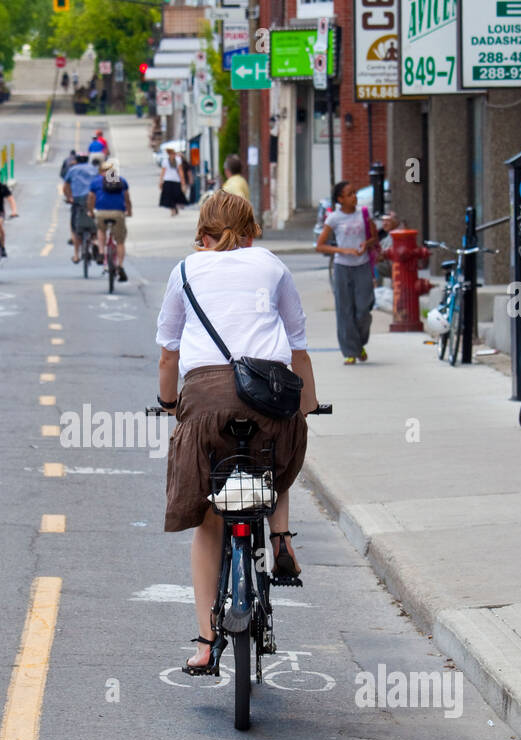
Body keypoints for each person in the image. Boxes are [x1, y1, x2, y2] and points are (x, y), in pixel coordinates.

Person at [155, 191, 319, 674]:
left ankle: (206, 643)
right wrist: (306, 406)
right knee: (280, 454)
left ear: (201, 232)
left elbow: (168, 352)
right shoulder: (270, 265)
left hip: (205, 403)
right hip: (269, 396)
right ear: (253, 230)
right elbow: (298, 345)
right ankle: (282, 536)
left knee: (209, 521)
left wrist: (169, 403)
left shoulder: (185, 271)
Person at [316, 181, 381, 364]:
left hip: (363, 266)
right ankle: (350, 352)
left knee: (363, 309)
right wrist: (344, 251)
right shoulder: (334, 218)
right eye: (350, 194)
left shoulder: (364, 214)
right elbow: (320, 246)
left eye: (355, 193)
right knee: (344, 311)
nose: (355, 197)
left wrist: (365, 245)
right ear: (340, 199)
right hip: (342, 267)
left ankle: (359, 343)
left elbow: (374, 237)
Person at [87, 159, 131, 282]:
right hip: (118, 213)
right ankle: (120, 266)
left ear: (100, 171)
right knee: (120, 241)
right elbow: (127, 198)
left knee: (101, 229)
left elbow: (91, 197)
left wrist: (91, 211)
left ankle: (101, 252)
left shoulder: (96, 182)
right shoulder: (121, 181)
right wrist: (129, 211)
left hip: (101, 213)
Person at [62, 153, 100, 263]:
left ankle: (76, 256)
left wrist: (69, 197)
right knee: (96, 221)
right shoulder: (94, 169)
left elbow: (66, 186)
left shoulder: (73, 169)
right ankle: (95, 241)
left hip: (78, 200)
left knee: (75, 227)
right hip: (93, 198)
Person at [158, 146, 188, 216]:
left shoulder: (178, 160)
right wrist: (161, 181)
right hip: (168, 180)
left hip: (176, 180)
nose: (172, 155)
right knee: (169, 196)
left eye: (173, 154)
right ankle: (172, 210)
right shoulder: (165, 161)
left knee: (176, 195)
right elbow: (163, 172)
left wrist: (183, 182)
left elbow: (181, 172)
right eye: (171, 154)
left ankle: (175, 207)